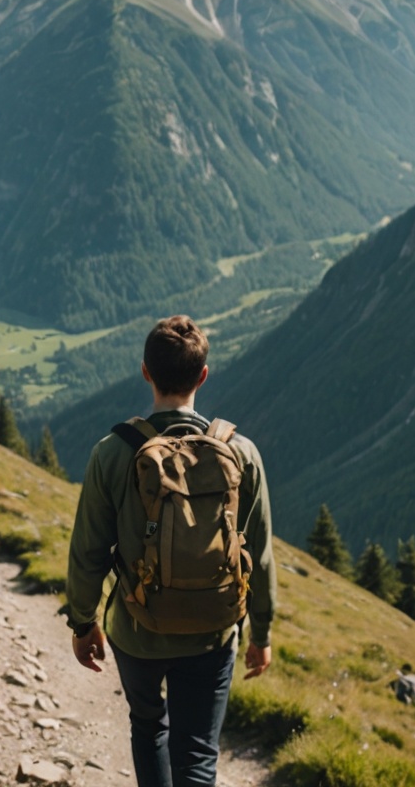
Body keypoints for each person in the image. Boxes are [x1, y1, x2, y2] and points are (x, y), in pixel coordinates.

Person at [63, 316, 274, 787]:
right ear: (203, 376)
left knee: (148, 727)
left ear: (145, 372)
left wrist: (83, 622)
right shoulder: (241, 453)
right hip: (214, 631)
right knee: (198, 754)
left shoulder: (112, 453)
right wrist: (260, 633)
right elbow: (258, 555)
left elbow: (88, 552)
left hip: (137, 629)